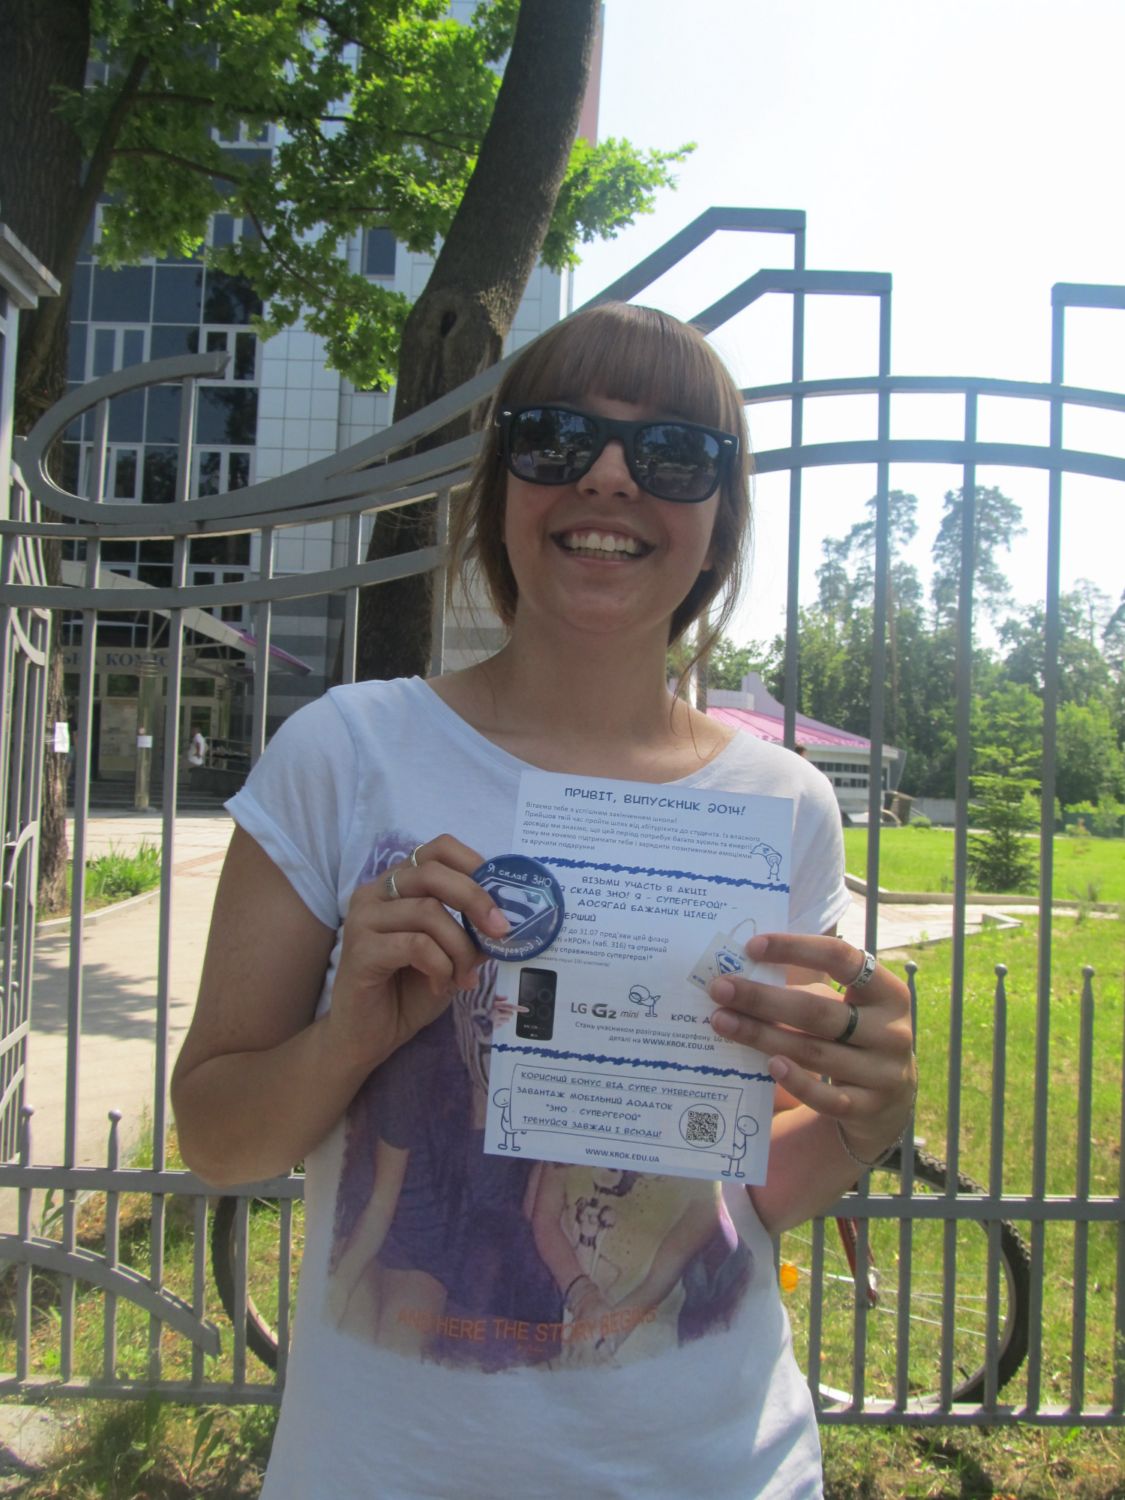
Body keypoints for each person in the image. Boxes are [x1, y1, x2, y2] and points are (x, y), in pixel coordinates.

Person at [171, 303, 917, 1498]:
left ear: (719, 523)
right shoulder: (346, 754)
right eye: (557, 437)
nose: (610, 475)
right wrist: (349, 1038)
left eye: (673, 453)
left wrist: (862, 1123)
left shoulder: (783, 804)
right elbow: (217, 1141)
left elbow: (735, 1191)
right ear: (499, 488)